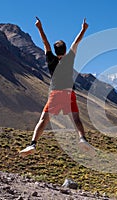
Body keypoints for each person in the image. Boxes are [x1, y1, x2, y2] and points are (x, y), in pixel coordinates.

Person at [19, 17, 90, 157]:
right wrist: (83, 29)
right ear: (64, 50)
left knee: (44, 119)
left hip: (56, 93)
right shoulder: (70, 58)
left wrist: (39, 27)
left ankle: (33, 144)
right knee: (76, 118)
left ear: (56, 51)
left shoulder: (50, 59)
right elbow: (76, 42)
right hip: (69, 93)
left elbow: (45, 42)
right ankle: (82, 139)